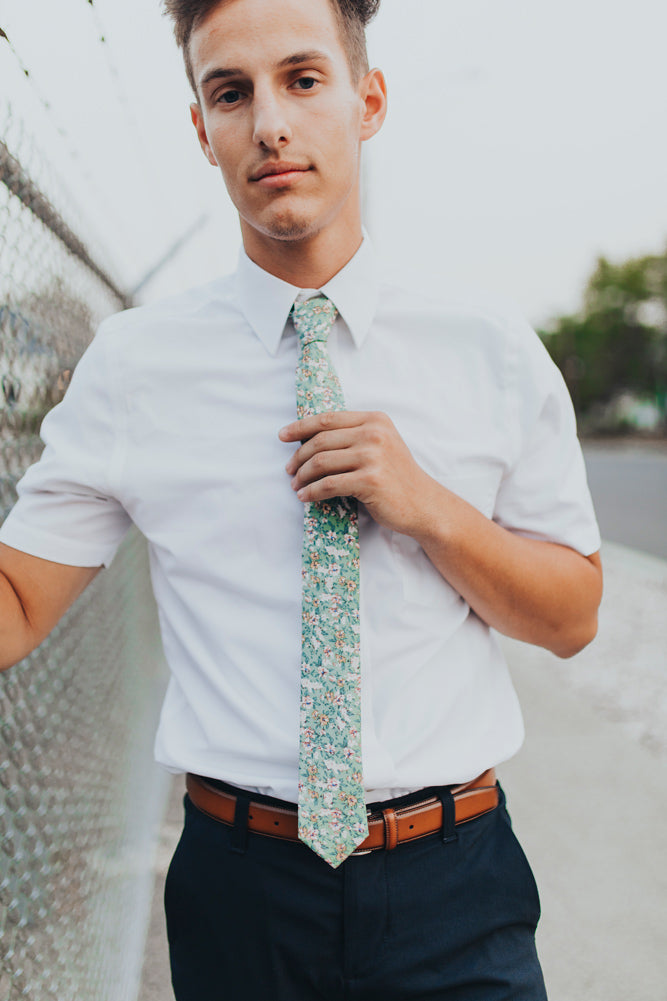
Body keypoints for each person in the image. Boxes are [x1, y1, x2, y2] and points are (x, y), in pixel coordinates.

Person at [0, 0, 603, 997]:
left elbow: (574, 617)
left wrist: (431, 507)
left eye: (303, 79)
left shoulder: (488, 350)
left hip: (455, 877)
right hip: (242, 890)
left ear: (367, 100)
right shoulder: (135, 371)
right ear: (201, 128)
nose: (269, 123)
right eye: (230, 93)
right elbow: (20, 601)